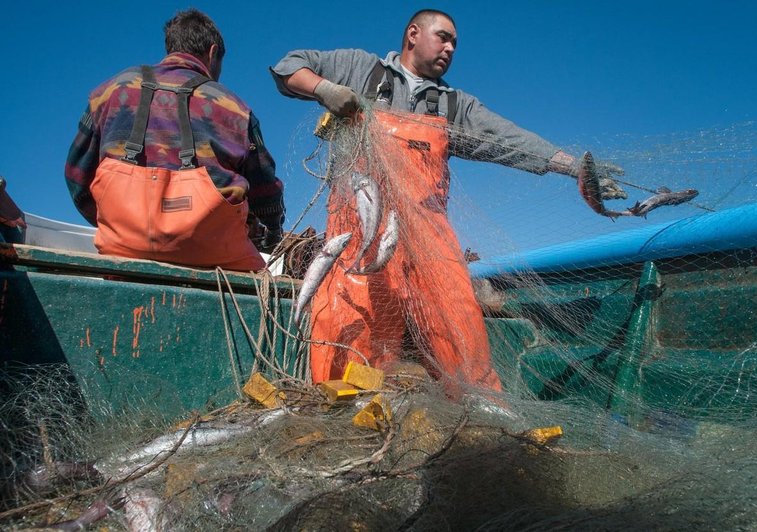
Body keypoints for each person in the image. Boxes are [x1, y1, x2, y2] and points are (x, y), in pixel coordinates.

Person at [270, 9, 625, 390]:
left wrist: (575, 168)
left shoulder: (456, 106)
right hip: (359, 228)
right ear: (412, 34)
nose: (451, 48)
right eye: (443, 37)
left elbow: (509, 140)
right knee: (353, 323)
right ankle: (345, 405)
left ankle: (477, 407)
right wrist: (325, 89)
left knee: (459, 321)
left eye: (454, 42)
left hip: (428, 233)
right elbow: (288, 68)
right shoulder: (361, 69)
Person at [66, 9, 284, 271]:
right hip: (216, 254)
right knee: (265, 277)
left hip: (122, 246)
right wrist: (272, 233)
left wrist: (123, 225)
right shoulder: (235, 108)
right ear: (213, 53)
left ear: (171, 46)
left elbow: (76, 177)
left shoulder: (110, 91)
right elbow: (265, 191)